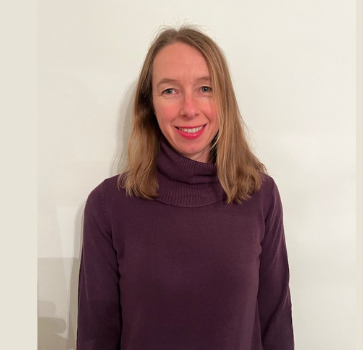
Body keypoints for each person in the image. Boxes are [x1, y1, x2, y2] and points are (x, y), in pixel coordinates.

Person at [76, 25, 295, 350]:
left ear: (224, 99)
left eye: (205, 88)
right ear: (149, 105)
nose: (189, 109)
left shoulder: (259, 195)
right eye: (170, 91)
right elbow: (97, 337)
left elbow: (276, 325)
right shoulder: (109, 206)